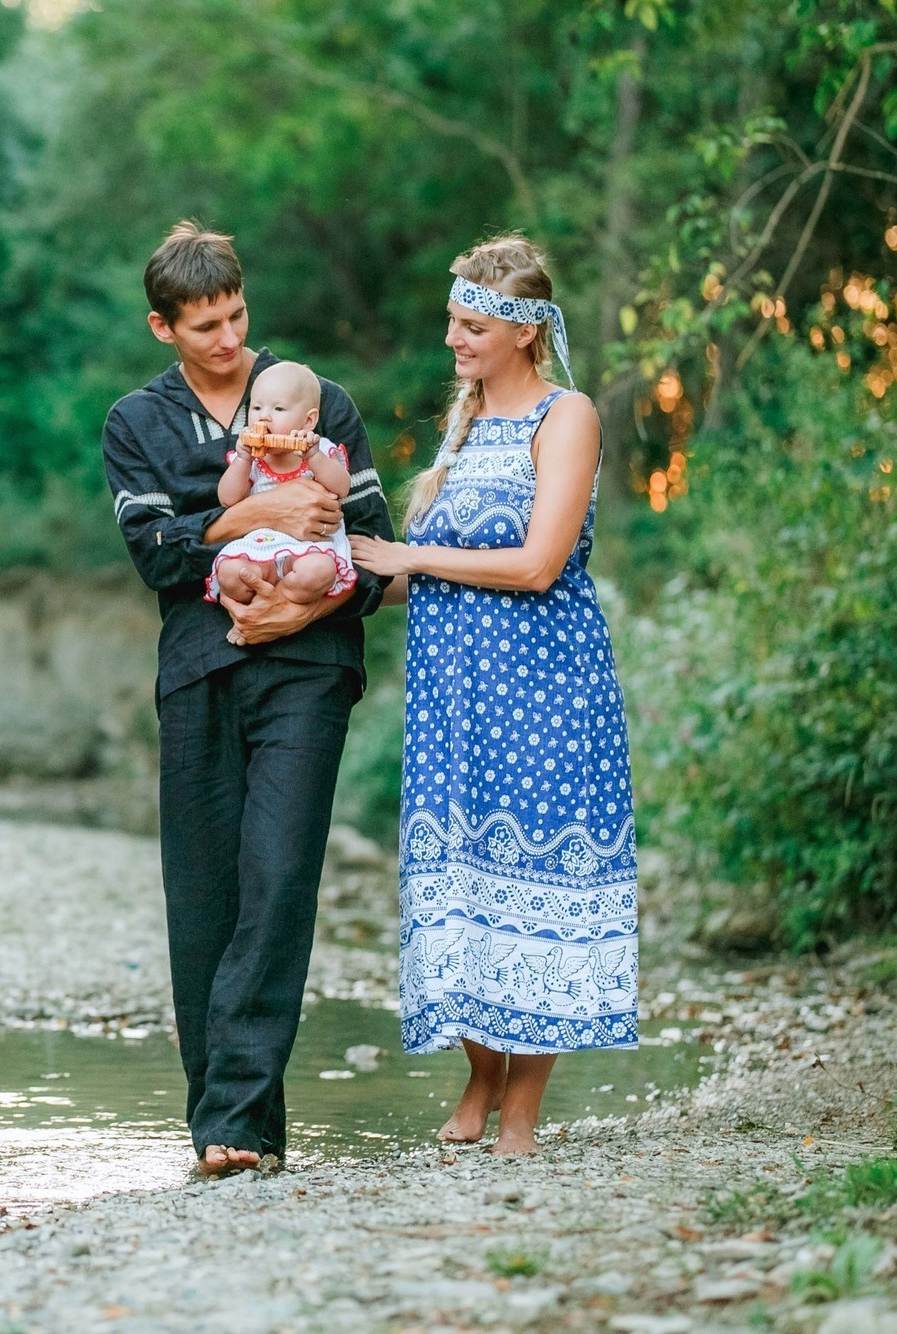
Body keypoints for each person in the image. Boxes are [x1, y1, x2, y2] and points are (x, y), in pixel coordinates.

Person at [102, 221, 394, 1177]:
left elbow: (377, 548)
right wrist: (251, 515)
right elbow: (155, 555)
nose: (228, 343)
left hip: (310, 671)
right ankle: (228, 1128)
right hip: (198, 670)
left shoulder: (320, 400)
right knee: (204, 899)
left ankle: (237, 1124)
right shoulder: (135, 424)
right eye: (204, 328)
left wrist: (303, 603)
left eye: (236, 319)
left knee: (276, 883)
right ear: (162, 328)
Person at [350, 234, 639, 1156]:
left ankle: (522, 1108)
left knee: (538, 880)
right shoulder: (464, 425)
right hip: (454, 700)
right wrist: (329, 569)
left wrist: (411, 554)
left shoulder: (569, 415)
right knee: (465, 883)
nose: (453, 341)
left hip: (546, 690)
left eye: (471, 326)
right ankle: (478, 1079)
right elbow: (421, 575)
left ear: (523, 332)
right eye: (452, 321)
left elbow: (537, 562)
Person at [209, 359, 358, 619]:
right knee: (230, 573)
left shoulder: (320, 451)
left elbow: (342, 487)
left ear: (308, 420)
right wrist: (243, 460)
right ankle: (259, 597)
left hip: (309, 549)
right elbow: (227, 499)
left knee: (318, 572)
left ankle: (282, 602)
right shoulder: (251, 459)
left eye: (278, 408)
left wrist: (313, 456)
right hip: (260, 548)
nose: (263, 416)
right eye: (256, 408)